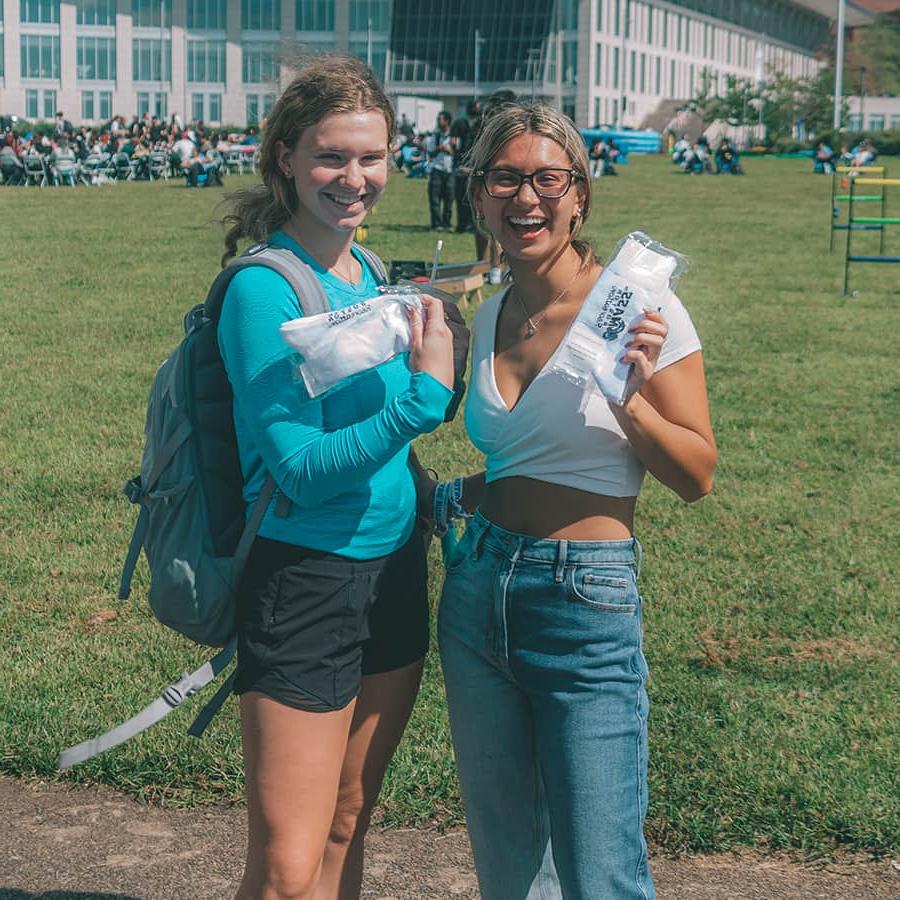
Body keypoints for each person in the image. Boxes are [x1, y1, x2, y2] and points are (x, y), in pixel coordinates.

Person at [434, 102, 717, 899]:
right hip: (478, 588)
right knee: (509, 864)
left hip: (582, 599)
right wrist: (446, 496)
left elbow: (696, 474)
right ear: (480, 196)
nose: (527, 198)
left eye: (546, 179)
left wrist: (631, 401)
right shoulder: (488, 313)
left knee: (602, 874)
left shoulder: (637, 310)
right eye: (505, 179)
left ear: (580, 194)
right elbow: (525, 461)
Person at [217, 55, 457, 899]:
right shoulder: (264, 291)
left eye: (371, 157)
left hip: (392, 572)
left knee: (347, 826)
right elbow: (300, 471)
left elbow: (378, 445)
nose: (354, 179)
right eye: (331, 156)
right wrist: (424, 400)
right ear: (284, 157)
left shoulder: (372, 276)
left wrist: (435, 495)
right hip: (305, 580)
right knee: (287, 868)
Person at [451, 100, 479, 233]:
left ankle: (463, 224)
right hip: (472, 164)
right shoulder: (481, 123)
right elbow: (454, 142)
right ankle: (469, 224)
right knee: (470, 197)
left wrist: (456, 156)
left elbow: (453, 142)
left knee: (463, 196)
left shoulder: (460, 122)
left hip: (466, 164)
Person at [426, 110, 454, 230]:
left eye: (440, 119)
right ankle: (437, 223)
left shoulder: (454, 137)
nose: (438, 121)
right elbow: (430, 153)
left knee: (449, 198)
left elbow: (459, 153)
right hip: (437, 169)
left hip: (450, 170)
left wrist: (450, 151)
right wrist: (439, 148)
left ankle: (447, 223)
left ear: (447, 121)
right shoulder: (435, 136)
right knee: (434, 197)